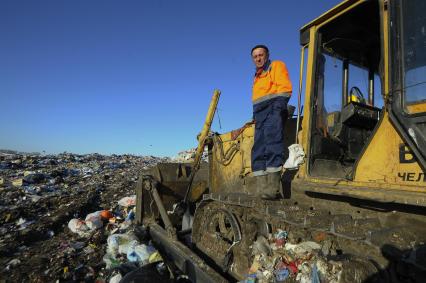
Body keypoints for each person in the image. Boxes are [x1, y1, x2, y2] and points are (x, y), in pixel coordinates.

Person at [250, 44, 292, 199]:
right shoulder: (257, 76)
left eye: (260, 55)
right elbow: (258, 99)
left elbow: (285, 89)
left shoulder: (276, 66)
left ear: (266, 55)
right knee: (258, 150)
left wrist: (277, 111)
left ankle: (272, 189)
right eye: (255, 56)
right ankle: (261, 190)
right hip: (260, 115)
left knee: (272, 147)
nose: (258, 58)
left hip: (272, 111)